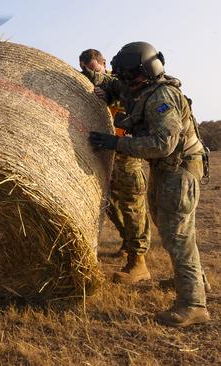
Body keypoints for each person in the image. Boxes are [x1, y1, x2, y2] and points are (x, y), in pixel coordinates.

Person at [89, 41, 209, 327]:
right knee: (171, 229)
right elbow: (112, 84)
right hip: (167, 170)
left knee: (177, 236)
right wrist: (100, 85)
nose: (122, 81)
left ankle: (193, 305)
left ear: (139, 73)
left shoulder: (160, 97)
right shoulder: (142, 89)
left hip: (178, 170)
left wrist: (116, 142)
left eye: (125, 75)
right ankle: (196, 281)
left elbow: (163, 144)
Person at [79, 49, 151, 284]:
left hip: (126, 153)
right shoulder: (95, 86)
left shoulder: (121, 83)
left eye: (94, 69)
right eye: (86, 69)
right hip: (105, 152)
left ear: (104, 64)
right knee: (109, 205)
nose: (90, 73)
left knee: (132, 205)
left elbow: (132, 104)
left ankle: (138, 261)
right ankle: (127, 242)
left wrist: (109, 95)